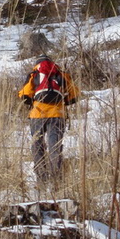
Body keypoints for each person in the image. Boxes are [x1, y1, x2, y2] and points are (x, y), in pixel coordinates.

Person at [18, 54, 79, 187]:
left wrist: (33, 102)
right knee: (54, 147)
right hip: (57, 115)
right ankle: (56, 180)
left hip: (37, 115)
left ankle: (42, 180)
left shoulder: (34, 74)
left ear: (37, 63)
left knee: (37, 146)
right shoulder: (61, 74)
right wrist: (64, 102)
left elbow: (24, 95)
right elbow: (74, 95)